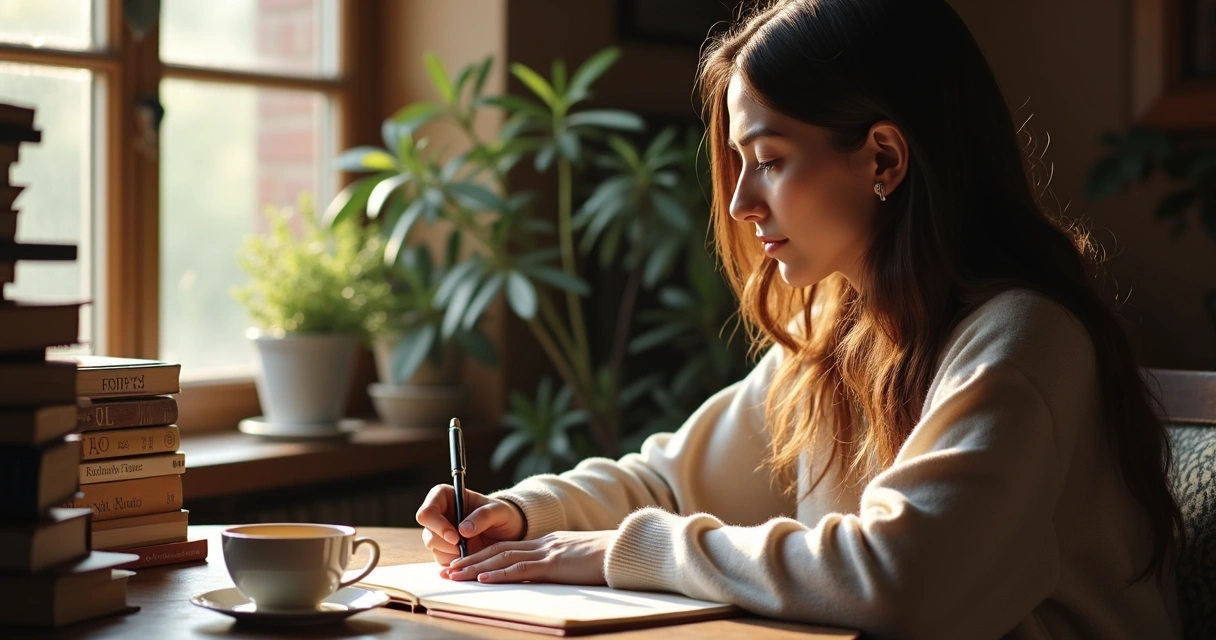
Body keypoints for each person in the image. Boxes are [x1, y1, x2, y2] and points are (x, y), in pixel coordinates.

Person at [415, 0, 1185, 637]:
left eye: (770, 159)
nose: (740, 202)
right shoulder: (840, 328)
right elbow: (673, 483)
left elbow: (903, 578)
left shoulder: (1025, 338)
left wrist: (626, 551)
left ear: (884, 159)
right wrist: (520, 515)